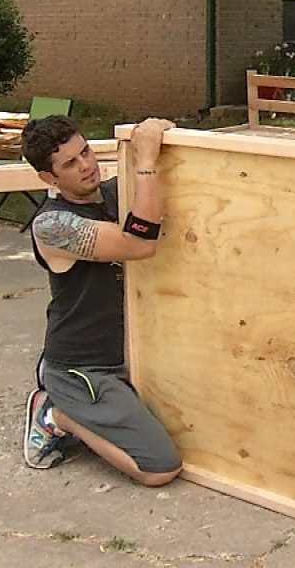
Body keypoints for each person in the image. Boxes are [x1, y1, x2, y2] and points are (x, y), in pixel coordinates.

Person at [19, 115, 182, 487]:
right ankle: (56, 415)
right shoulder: (53, 226)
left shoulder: (114, 194)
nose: (86, 166)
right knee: (159, 467)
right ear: (49, 178)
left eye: (86, 152)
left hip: (132, 356)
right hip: (84, 368)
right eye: (70, 164)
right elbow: (140, 244)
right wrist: (145, 161)